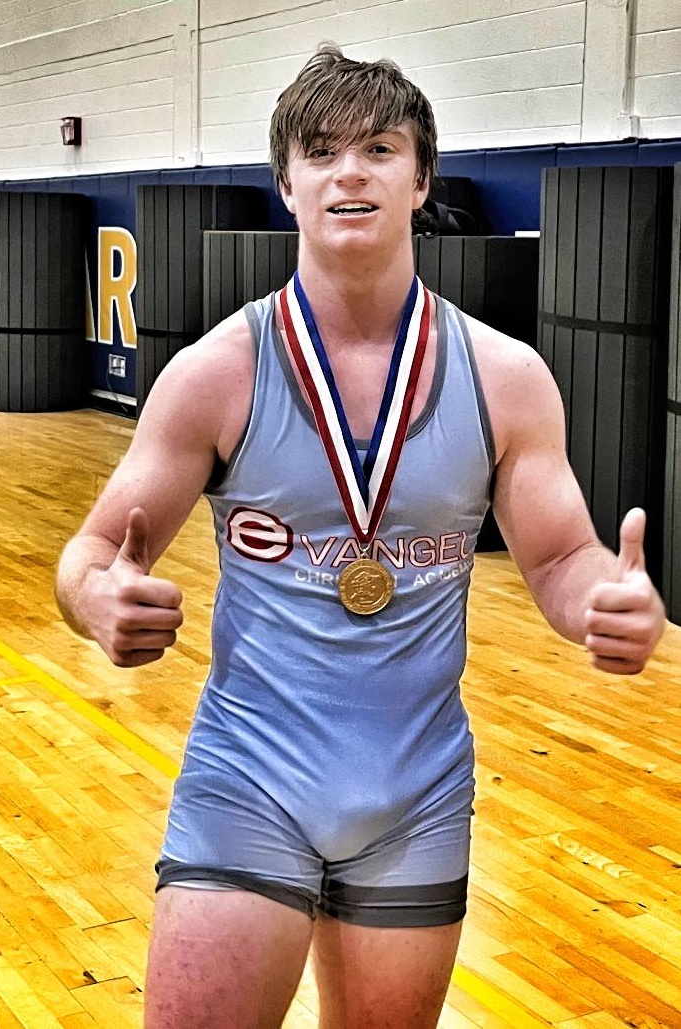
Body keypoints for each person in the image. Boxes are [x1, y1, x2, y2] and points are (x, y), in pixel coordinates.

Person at [55, 44, 666, 1029]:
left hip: (417, 795)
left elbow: (559, 557)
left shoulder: (505, 377)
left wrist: (603, 599)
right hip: (248, 779)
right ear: (286, 183)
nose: (350, 171)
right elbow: (86, 556)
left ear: (420, 181)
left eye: (379, 148)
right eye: (321, 150)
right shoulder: (217, 373)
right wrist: (98, 600)